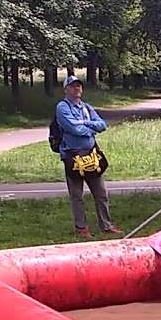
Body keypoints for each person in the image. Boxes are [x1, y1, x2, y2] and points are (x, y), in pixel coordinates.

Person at [57, 75, 122, 237]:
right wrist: (90, 128)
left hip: (92, 157)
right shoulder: (62, 108)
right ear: (66, 89)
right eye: (72, 86)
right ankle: (81, 228)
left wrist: (84, 123)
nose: (77, 88)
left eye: (79, 86)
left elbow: (102, 125)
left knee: (101, 193)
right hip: (72, 158)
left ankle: (106, 226)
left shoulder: (86, 107)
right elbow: (73, 129)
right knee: (77, 195)